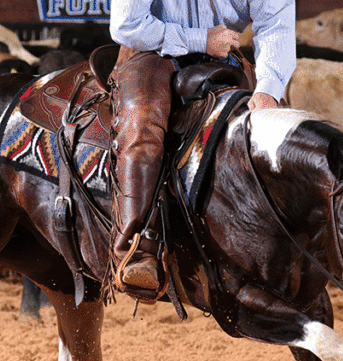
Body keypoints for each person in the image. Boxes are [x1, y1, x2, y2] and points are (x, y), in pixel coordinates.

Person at [108, 0, 297, 297]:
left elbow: (275, 23)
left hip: (222, 53)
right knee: (143, 128)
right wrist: (201, 40)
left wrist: (268, 90)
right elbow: (126, 25)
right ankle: (136, 248)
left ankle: (284, 245)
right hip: (149, 52)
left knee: (273, 133)